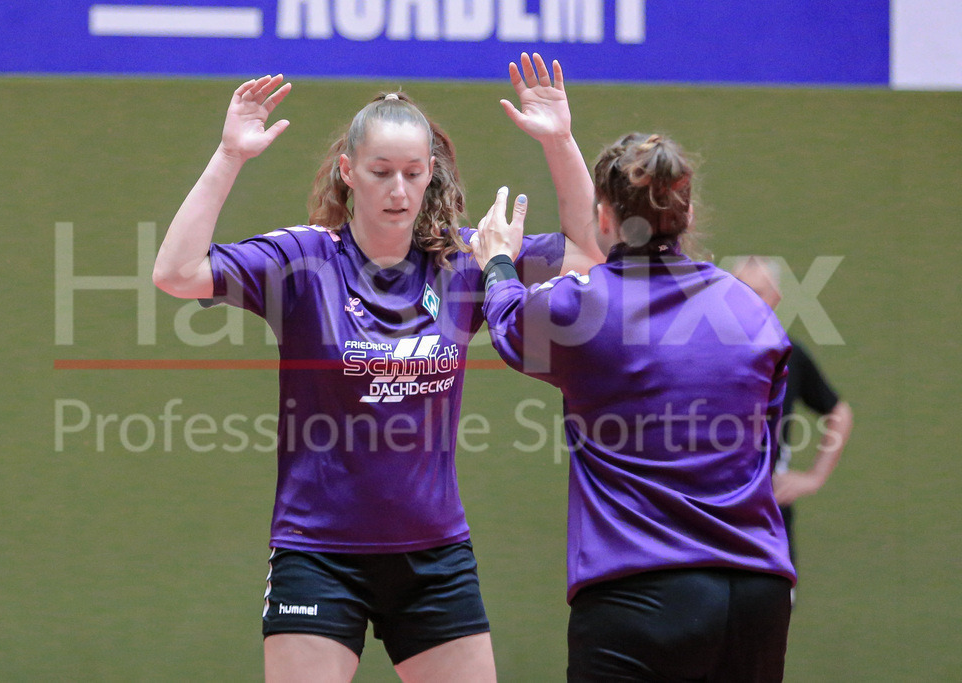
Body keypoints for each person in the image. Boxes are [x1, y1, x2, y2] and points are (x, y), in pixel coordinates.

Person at [152, 54, 601, 683]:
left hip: (434, 556)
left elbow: (589, 251)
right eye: (381, 172)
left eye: (413, 173)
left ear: (430, 176)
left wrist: (559, 140)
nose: (398, 189)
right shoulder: (303, 260)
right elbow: (174, 272)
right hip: (318, 553)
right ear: (347, 173)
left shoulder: (464, 263)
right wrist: (229, 155)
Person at [471, 133, 797, 681]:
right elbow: (768, 439)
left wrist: (498, 261)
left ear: (604, 218)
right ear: (688, 212)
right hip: (758, 596)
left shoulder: (586, 306)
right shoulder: (751, 309)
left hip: (640, 594)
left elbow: (509, 323)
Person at [731, 257, 854, 587]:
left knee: (768, 624)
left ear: (775, 298)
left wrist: (814, 478)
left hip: (770, 525)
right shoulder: (708, 353)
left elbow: (839, 413)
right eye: (738, 292)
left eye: (756, 292)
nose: (747, 302)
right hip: (717, 518)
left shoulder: (789, 355)